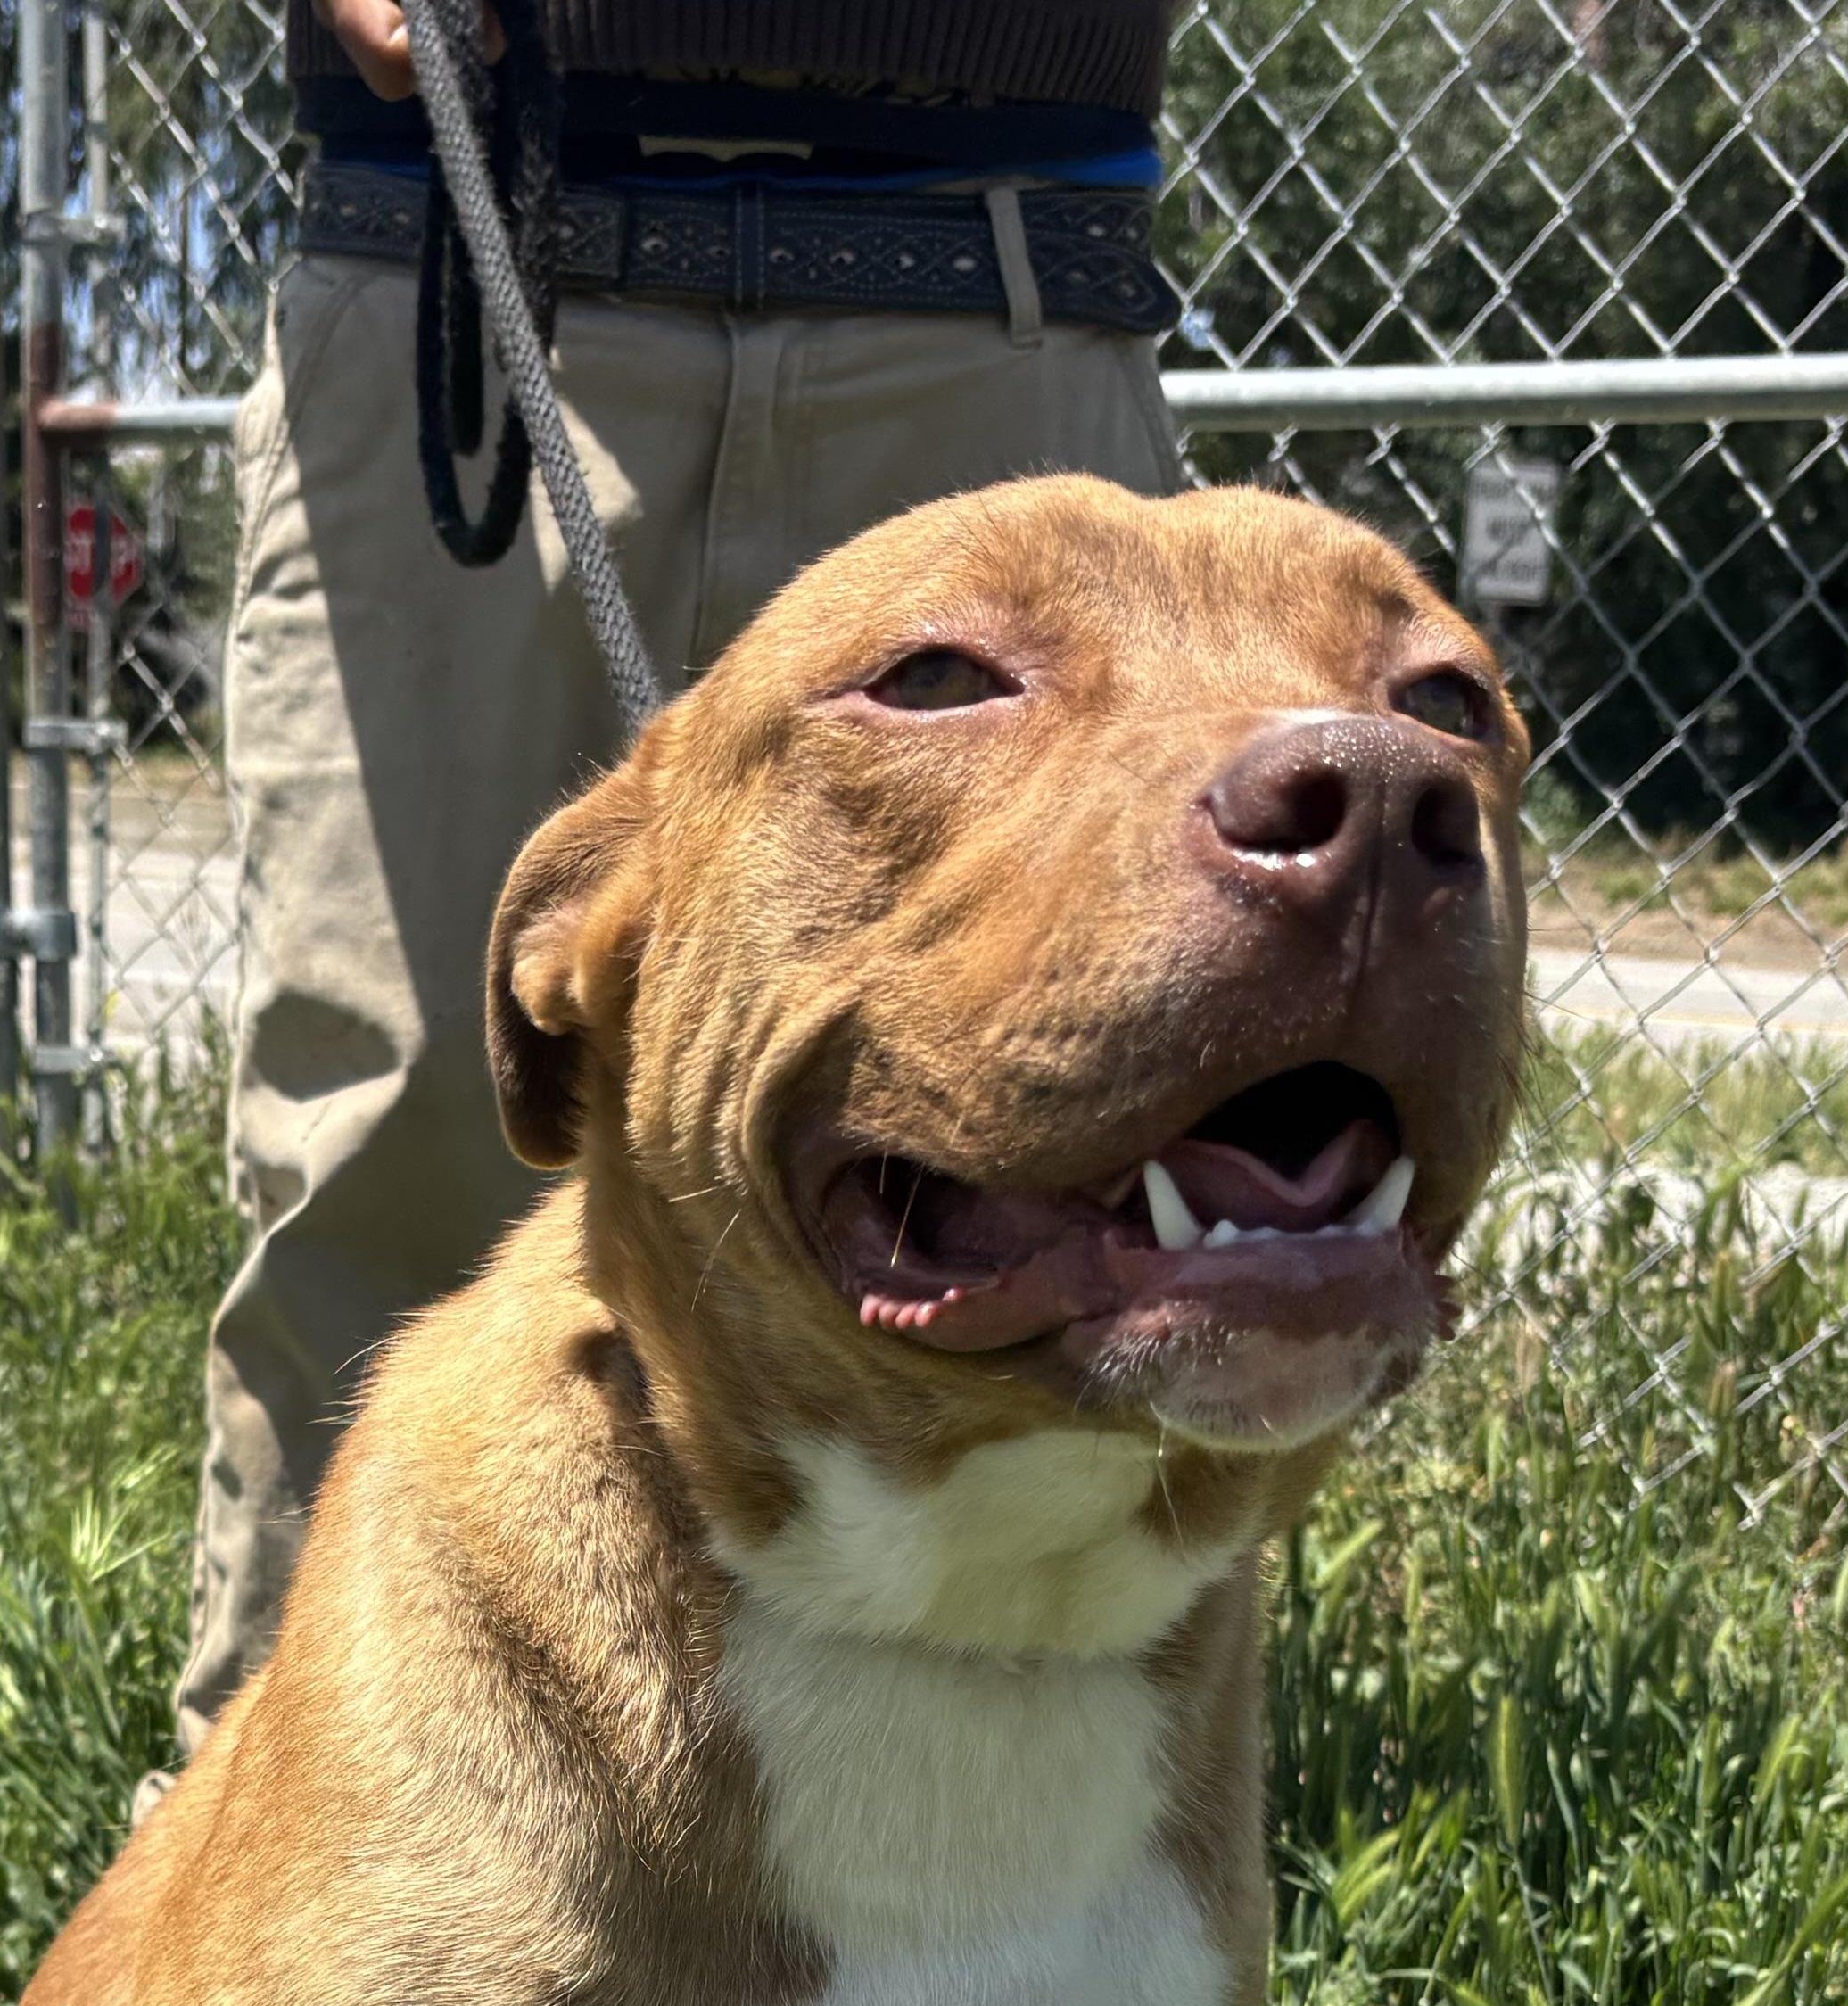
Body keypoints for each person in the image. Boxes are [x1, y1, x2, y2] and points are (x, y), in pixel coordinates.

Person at [174, 0, 1190, 1754]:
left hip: (1000, 266)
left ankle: (1034, 1911)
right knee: (398, 1146)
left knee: (1067, 1159)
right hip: (469, 281)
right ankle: (286, 1872)